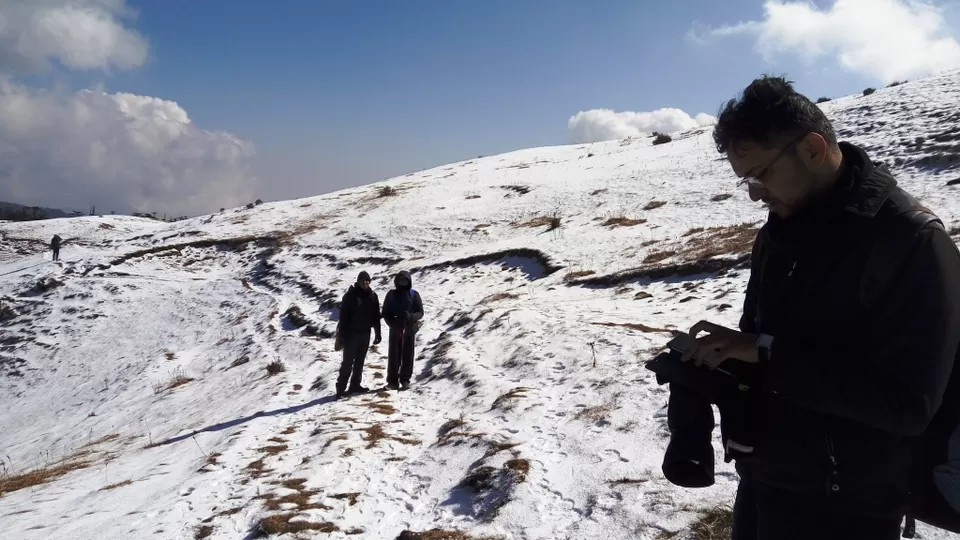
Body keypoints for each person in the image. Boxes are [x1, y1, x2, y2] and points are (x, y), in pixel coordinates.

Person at [679, 75, 960, 540]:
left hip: (849, 504)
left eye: (760, 173)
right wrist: (717, 366)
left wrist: (766, 353)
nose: (753, 192)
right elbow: (763, 344)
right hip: (765, 478)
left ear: (812, 149)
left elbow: (909, 405)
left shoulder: (910, 241)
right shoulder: (778, 234)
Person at [335, 271, 382, 398]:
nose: (365, 282)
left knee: (360, 361)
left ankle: (355, 385)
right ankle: (340, 388)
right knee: (347, 362)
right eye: (363, 280)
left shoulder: (373, 296)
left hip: (365, 333)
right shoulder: (350, 296)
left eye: (367, 280)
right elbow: (343, 317)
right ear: (358, 281)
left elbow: (376, 316)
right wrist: (343, 334)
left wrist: (378, 333)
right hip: (351, 334)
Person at [381, 270, 424, 391]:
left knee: (408, 354)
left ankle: (405, 380)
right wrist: (392, 323)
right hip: (395, 329)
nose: (403, 283)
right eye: (401, 281)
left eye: (405, 280)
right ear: (397, 282)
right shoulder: (391, 294)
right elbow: (385, 312)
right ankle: (392, 381)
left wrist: (411, 317)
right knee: (394, 355)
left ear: (409, 281)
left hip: (409, 329)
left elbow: (420, 312)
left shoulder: (414, 294)